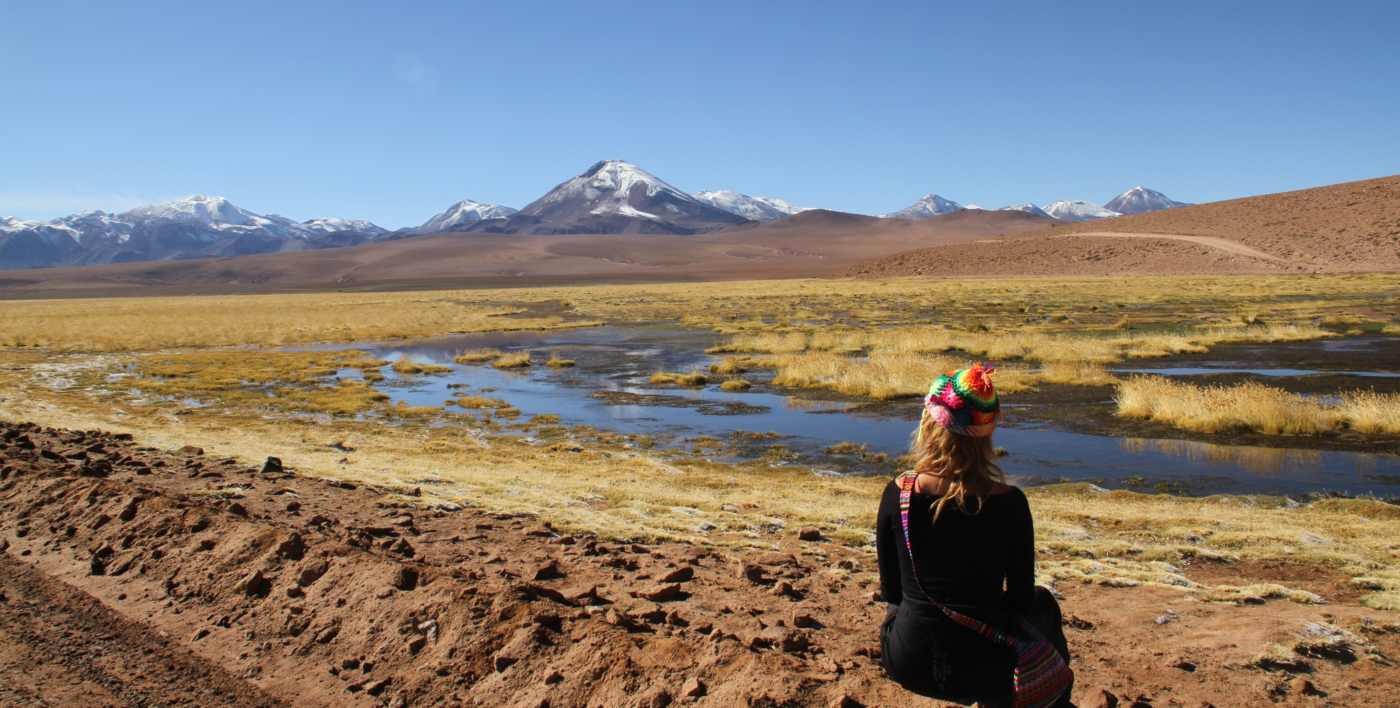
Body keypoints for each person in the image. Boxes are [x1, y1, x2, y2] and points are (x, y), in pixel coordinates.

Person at [877, 364, 1074, 707]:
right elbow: (1020, 600)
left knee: (903, 604)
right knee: (1043, 603)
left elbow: (892, 592)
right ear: (987, 432)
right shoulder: (1012, 503)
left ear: (930, 424)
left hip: (909, 659)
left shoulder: (899, 494)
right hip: (988, 668)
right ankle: (1051, 696)